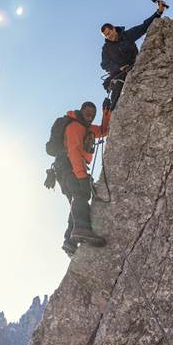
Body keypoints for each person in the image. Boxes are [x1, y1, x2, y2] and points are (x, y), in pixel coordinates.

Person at [54, 101, 111, 256]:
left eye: (93, 115)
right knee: (81, 195)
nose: (91, 117)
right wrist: (82, 177)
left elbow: (104, 130)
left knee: (77, 200)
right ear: (81, 111)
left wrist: (106, 112)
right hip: (69, 167)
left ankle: (70, 241)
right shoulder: (75, 127)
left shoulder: (87, 128)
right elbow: (73, 152)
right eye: (88, 113)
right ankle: (81, 229)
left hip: (70, 169)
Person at [100, 0, 167, 110]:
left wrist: (159, 12)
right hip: (119, 74)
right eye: (106, 36)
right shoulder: (106, 48)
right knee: (117, 88)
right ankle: (113, 112)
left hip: (137, 67)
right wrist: (119, 68)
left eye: (109, 33)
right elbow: (104, 64)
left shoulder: (127, 35)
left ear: (114, 29)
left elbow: (144, 26)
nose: (108, 37)